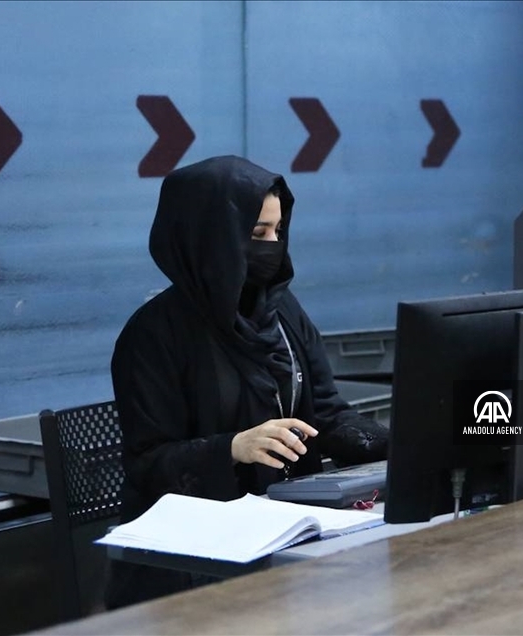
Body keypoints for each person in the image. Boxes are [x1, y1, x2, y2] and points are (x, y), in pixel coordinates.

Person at [105, 155, 389, 609]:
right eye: (257, 234)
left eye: (278, 232)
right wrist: (233, 447)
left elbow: (326, 415)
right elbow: (147, 463)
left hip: (287, 536)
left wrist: (398, 444)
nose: (272, 246)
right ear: (210, 237)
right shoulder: (152, 336)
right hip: (187, 564)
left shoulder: (282, 312)